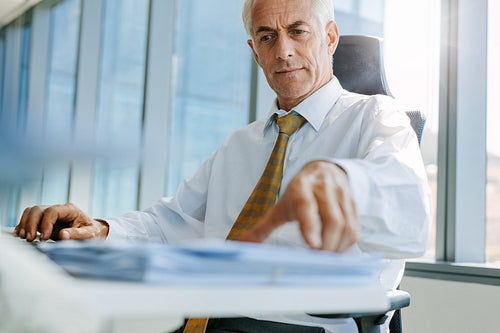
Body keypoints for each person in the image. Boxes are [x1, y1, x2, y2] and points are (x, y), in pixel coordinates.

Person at [14, 0, 431, 332]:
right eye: (267, 36)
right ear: (254, 51)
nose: (282, 50)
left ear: (330, 37)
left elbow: (408, 202)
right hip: (203, 317)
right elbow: (169, 223)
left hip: (299, 325)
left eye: (298, 32)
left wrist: (343, 179)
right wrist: (98, 229)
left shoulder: (376, 116)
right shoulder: (240, 144)